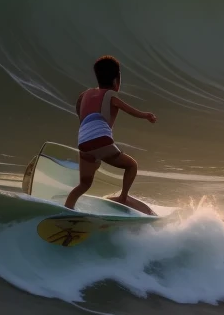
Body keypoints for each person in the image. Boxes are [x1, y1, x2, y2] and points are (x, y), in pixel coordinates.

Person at [65, 55, 157, 214]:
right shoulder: (111, 95)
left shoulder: (84, 94)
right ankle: (123, 197)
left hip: (83, 141)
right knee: (131, 165)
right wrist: (145, 115)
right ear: (117, 80)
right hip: (101, 140)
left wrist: (95, 152)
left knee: (84, 185)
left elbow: (80, 114)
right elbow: (128, 109)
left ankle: (67, 208)